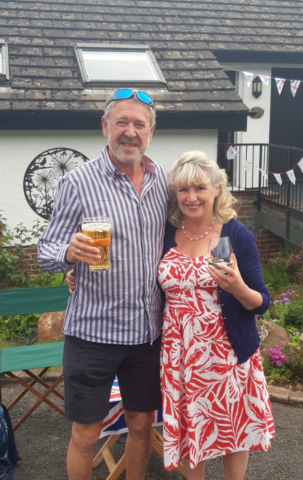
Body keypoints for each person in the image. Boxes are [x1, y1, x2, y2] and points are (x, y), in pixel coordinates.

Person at [37, 89, 168, 480]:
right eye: (122, 123)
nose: (130, 132)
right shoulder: (78, 182)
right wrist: (69, 253)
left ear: (151, 132)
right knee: (86, 433)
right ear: (105, 127)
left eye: (139, 124)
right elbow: (46, 250)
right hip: (93, 333)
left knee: (142, 424)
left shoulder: (164, 180)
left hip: (147, 334)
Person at [158, 151, 275, 479]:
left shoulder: (236, 235)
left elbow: (262, 302)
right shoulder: (167, 232)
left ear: (216, 190)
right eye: (183, 190)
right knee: (191, 427)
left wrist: (238, 286)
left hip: (226, 352)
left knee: (232, 430)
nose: (191, 197)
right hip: (180, 355)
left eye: (199, 188)